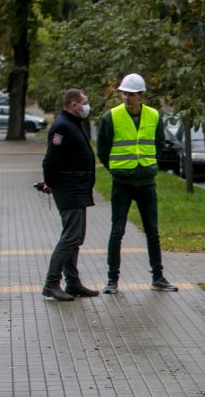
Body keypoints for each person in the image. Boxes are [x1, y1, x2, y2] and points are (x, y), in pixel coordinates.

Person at [97, 73, 177, 293]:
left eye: (131, 94)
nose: (126, 98)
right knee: (117, 231)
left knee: (152, 230)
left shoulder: (153, 116)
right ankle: (112, 280)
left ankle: (158, 277)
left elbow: (159, 144)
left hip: (146, 181)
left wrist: (149, 165)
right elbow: (103, 149)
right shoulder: (110, 117)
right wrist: (114, 167)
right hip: (122, 182)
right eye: (124, 93)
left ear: (142, 96)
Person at [41, 89, 100, 301]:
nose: (87, 105)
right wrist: (50, 183)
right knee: (70, 237)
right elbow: (50, 160)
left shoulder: (72, 123)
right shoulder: (62, 126)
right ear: (74, 104)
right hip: (69, 188)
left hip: (77, 187)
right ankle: (51, 283)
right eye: (84, 102)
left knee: (75, 237)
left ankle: (73, 283)